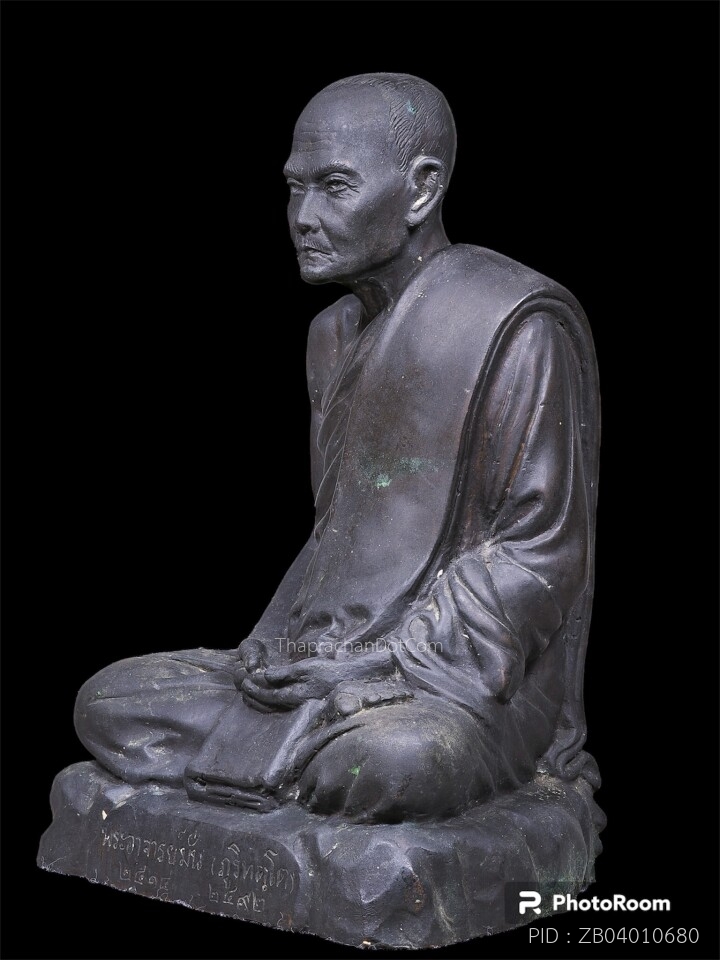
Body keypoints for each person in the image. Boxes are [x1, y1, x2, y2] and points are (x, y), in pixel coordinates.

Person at [75, 73, 600, 824]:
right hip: (322, 659)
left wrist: (381, 663)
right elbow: (338, 533)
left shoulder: (510, 321)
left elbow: (539, 554)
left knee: (401, 761)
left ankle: (300, 752)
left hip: (445, 678)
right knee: (109, 701)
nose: (303, 218)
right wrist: (270, 645)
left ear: (421, 190)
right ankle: (297, 751)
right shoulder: (330, 336)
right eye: (294, 189)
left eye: (335, 187)